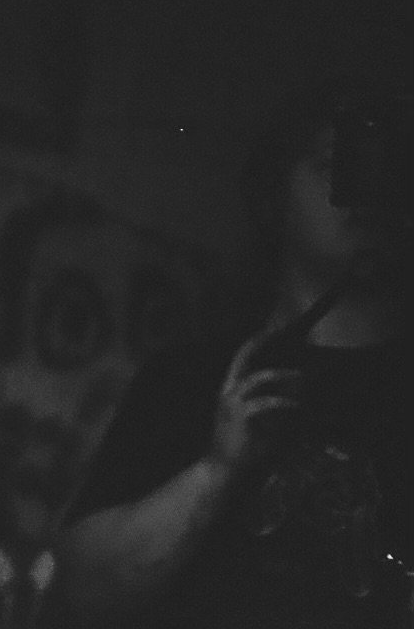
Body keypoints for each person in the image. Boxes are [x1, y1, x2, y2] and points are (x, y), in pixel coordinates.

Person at [49, 84, 412, 629]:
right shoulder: (190, 380)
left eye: (385, 173)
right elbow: (84, 589)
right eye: (336, 167)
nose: (361, 194)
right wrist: (217, 472)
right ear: (274, 194)